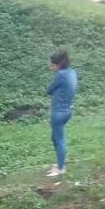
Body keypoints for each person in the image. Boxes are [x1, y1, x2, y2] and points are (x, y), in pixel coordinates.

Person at [46, 49, 77, 177]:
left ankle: (60, 168)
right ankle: (60, 162)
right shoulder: (72, 72)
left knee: (58, 139)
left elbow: (49, 90)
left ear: (58, 65)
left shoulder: (61, 75)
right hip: (68, 110)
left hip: (58, 112)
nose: (50, 67)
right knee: (55, 137)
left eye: (52, 65)